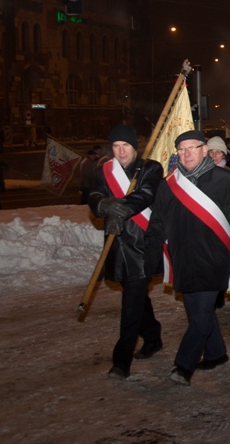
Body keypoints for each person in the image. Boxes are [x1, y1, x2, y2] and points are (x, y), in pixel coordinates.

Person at [143, 130, 230, 386]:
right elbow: (156, 225)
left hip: (214, 260)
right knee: (197, 314)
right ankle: (216, 353)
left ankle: (184, 364)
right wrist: (150, 259)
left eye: (192, 147)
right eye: (181, 149)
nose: (186, 153)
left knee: (202, 313)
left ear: (205, 150)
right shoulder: (169, 185)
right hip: (183, 260)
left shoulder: (225, 180)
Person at [88, 125, 164, 380]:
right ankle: (153, 336)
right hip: (117, 245)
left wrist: (120, 208)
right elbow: (94, 195)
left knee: (130, 304)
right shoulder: (104, 170)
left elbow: (146, 194)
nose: (121, 151)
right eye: (116, 146)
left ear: (135, 148)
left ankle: (121, 361)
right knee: (137, 296)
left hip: (142, 246)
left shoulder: (150, 168)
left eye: (126, 146)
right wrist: (104, 204)